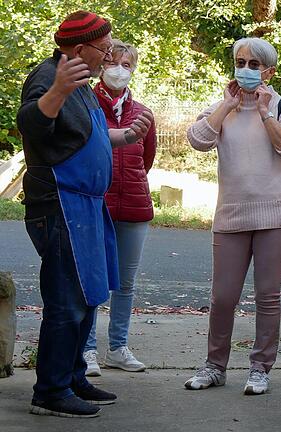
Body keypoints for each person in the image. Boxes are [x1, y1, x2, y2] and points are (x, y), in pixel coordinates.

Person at [16, 10, 152, 418]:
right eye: (104, 49)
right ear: (79, 50)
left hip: (86, 207)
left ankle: (73, 375)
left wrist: (127, 136)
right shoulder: (51, 78)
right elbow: (32, 124)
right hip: (60, 205)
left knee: (88, 296)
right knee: (66, 301)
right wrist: (56, 89)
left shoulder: (83, 86)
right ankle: (51, 392)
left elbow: (83, 135)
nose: (109, 57)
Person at [185, 37, 281, 395]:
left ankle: (260, 368)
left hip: (279, 216)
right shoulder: (222, 107)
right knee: (223, 296)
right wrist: (226, 106)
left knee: (268, 295)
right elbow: (198, 139)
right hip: (232, 215)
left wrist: (265, 112)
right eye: (240, 62)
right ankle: (214, 366)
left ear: (269, 71)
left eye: (254, 64)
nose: (246, 70)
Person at [83, 39, 157, 376]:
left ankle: (118, 347)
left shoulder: (143, 113)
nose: (119, 70)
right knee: (93, 279)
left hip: (133, 206)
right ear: (101, 65)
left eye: (127, 65)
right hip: (95, 204)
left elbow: (147, 159)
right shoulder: (85, 104)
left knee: (125, 283)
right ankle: (86, 351)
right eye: (114, 62)